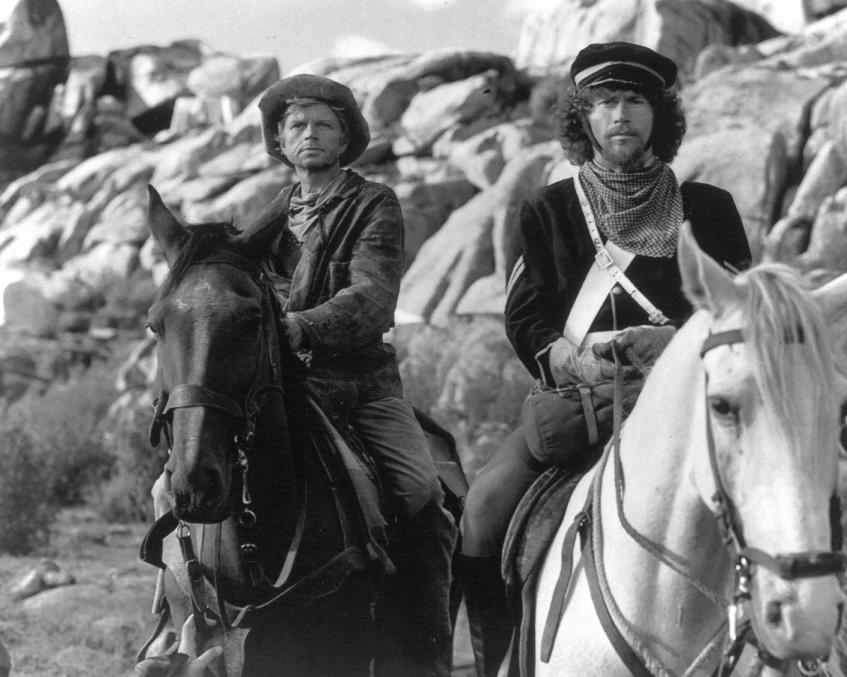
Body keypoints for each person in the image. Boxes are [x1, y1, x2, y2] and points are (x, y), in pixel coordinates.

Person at [458, 42, 752, 676]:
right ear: (583, 119)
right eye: (605, 102)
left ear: (659, 116)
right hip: (577, 405)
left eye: (636, 100)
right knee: (480, 516)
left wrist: (672, 341)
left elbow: (740, 315)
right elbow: (525, 317)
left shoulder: (710, 208)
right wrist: (573, 360)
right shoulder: (546, 208)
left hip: (688, 403)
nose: (621, 114)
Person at [246, 74, 456, 676]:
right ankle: (181, 625)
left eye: (324, 125)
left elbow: (372, 297)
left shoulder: (374, 203)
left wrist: (297, 329)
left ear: (345, 139)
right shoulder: (262, 219)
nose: (309, 135)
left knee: (421, 494)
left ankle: (418, 652)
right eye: (296, 127)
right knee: (186, 481)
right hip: (280, 386)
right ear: (280, 142)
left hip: (360, 384)